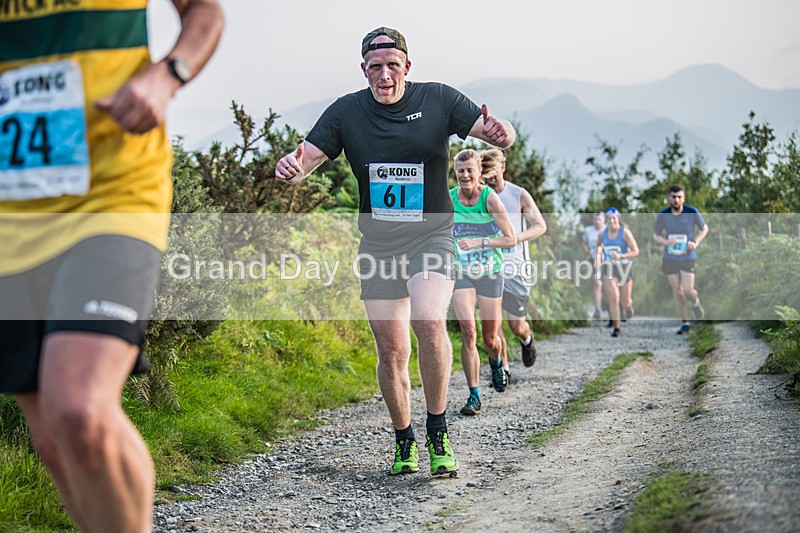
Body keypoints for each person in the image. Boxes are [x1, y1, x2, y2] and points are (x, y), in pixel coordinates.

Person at [0, 3, 223, 532]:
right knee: (54, 441)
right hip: (13, 208)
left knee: (79, 408)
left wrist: (167, 75)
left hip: (114, 193)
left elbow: (206, 13)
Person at [275, 28, 515, 476]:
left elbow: (496, 133)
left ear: (407, 66)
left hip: (433, 237)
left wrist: (504, 134)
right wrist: (289, 168)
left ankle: (438, 429)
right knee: (391, 352)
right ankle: (404, 438)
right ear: (363, 69)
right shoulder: (346, 111)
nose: (384, 75)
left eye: (392, 65)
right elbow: (303, 161)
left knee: (428, 320)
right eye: (375, 67)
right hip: (380, 245)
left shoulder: (440, 99)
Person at [449, 149, 516, 416]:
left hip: (490, 271)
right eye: (460, 171)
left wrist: (481, 241)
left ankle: (497, 362)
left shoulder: (490, 199)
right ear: (455, 173)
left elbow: (510, 238)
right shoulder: (450, 199)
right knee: (468, 331)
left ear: (479, 172)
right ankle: (473, 395)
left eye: (470, 171)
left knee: (491, 338)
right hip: (461, 271)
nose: (465, 175)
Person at [482, 148, 547, 371]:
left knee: (515, 325)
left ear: (503, 167)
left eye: (493, 171)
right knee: (494, 321)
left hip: (517, 267)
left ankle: (526, 339)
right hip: (490, 266)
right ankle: (504, 369)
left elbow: (540, 226)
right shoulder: (479, 196)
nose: (490, 177)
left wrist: (515, 238)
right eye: (486, 172)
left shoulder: (518, 194)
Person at [653, 184, 709, 334]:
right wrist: (666, 242)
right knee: (677, 291)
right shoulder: (663, 214)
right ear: (668, 198)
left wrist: (695, 242)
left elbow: (704, 229)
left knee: (688, 290)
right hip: (670, 257)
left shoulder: (692, 212)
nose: (676, 200)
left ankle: (695, 303)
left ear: (683, 198)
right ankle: (685, 323)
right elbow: (656, 235)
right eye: (673, 197)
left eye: (679, 197)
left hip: (687, 256)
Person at [595, 208, 639, 337]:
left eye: (614, 218)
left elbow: (636, 251)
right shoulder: (602, 234)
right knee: (613, 298)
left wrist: (622, 256)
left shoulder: (625, 233)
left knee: (624, 301)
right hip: (609, 267)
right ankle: (616, 328)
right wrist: (599, 256)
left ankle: (628, 306)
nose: (611, 221)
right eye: (609, 219)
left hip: (624, 267)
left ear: (618, 219)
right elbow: (598, 246)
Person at [582, 211, 606, 320]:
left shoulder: (607, 229)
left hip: (607, 260)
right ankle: (598, 309)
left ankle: (617, 307)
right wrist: (587, 250)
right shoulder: (588, 230)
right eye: (595, 219)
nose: (597, 221)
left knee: (608, 284)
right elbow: (585, 243)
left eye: (599, 219)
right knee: (597, 282)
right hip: (593, 259)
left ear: (604, 220)